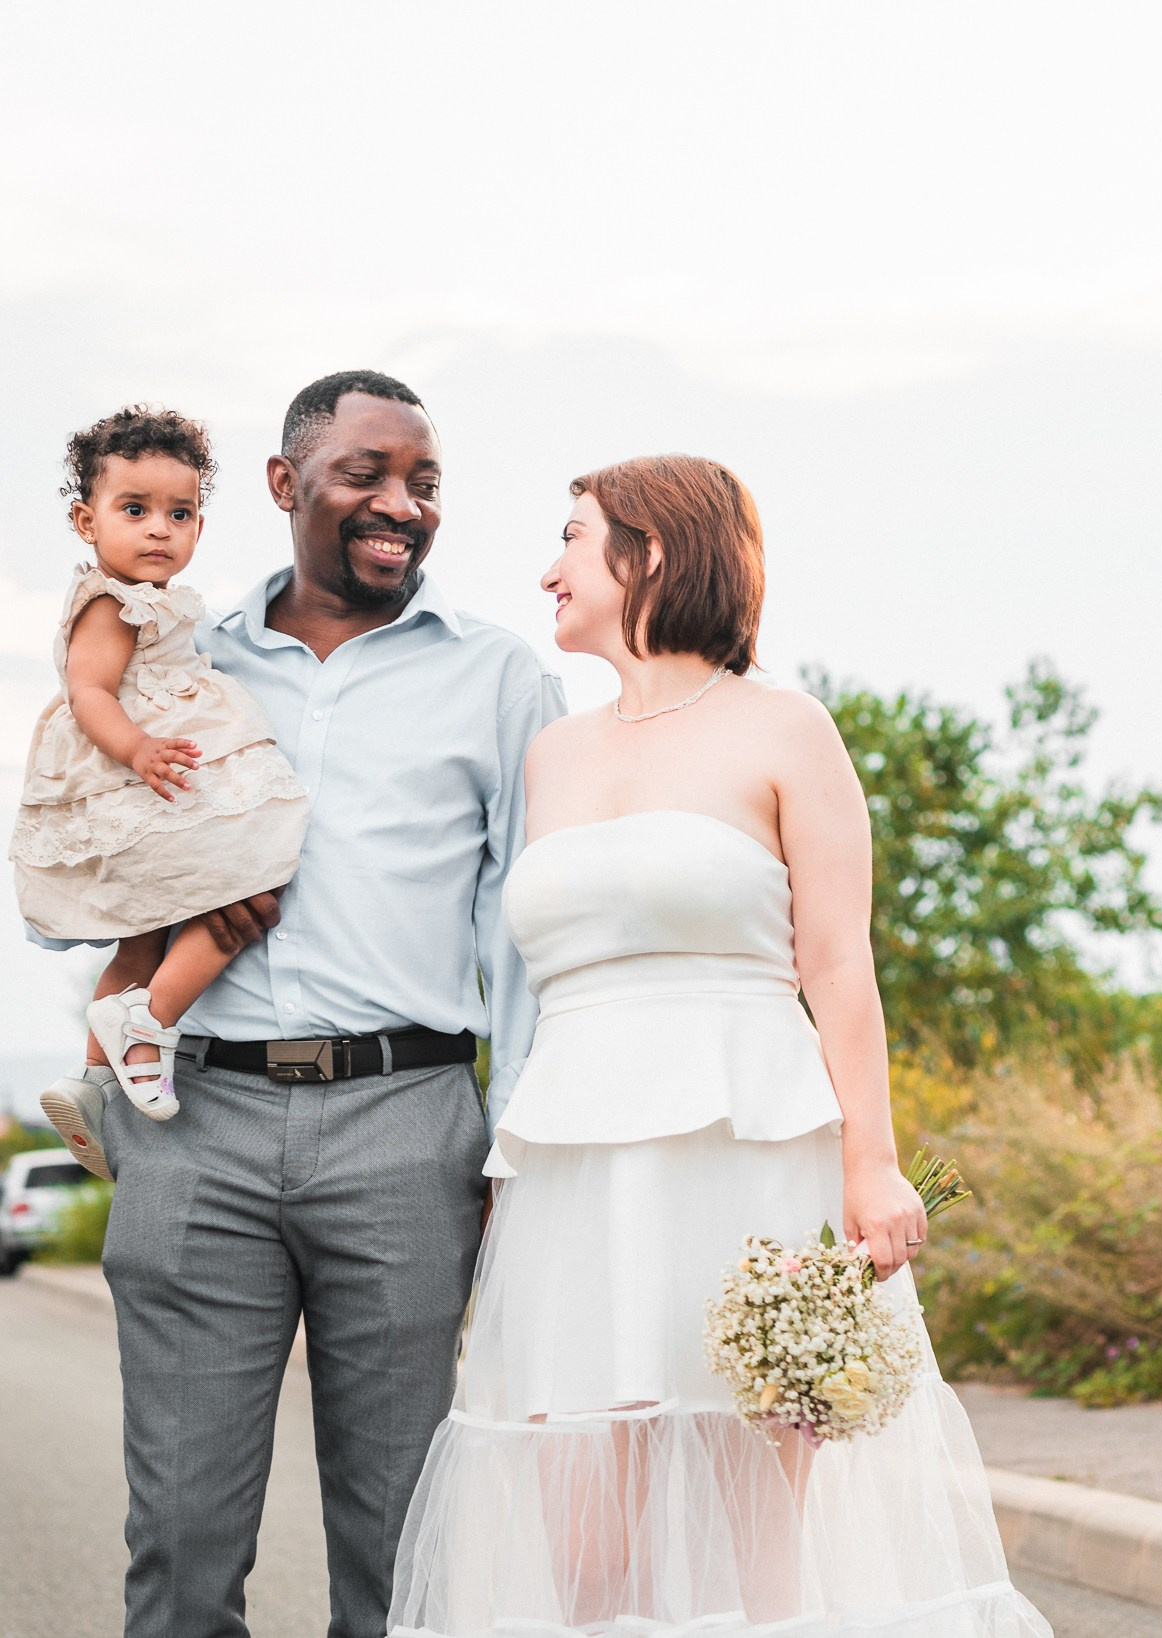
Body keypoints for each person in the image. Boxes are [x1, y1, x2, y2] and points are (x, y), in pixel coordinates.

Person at [388, 455, 1049, 1636]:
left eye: (572, 538)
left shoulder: (787, 729)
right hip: (576, 1174)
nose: (547, 568)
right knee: (582, 1550)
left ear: (648, 553)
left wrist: (871, 1162)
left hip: (745, 1156)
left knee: (745, 1549)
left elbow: (838, 965)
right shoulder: (554, 754)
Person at [82, 370, 565, 1638]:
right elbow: (66, 865)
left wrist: (510, 1142)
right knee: (180, 1539)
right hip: (195, 1121)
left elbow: (523, 933)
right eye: (366, 474)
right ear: (288, 487)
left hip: (408, 1127)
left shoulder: (502, 679)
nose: (400, 504)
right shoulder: (177, 655)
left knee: (404, 1534)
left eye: (424, 482)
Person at [14, 407, 310, 1173]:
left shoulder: (159, 601)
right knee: (241, 885)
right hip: (135, 768)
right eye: (134, 510)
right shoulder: (112, 603)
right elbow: (89, 694)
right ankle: (150, 1021)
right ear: (86, 520)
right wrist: (139, 748)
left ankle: (90, 1079)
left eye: (178, 514)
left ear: (200, 529)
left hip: (153, 767)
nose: (158, 530)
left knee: (144, 934)